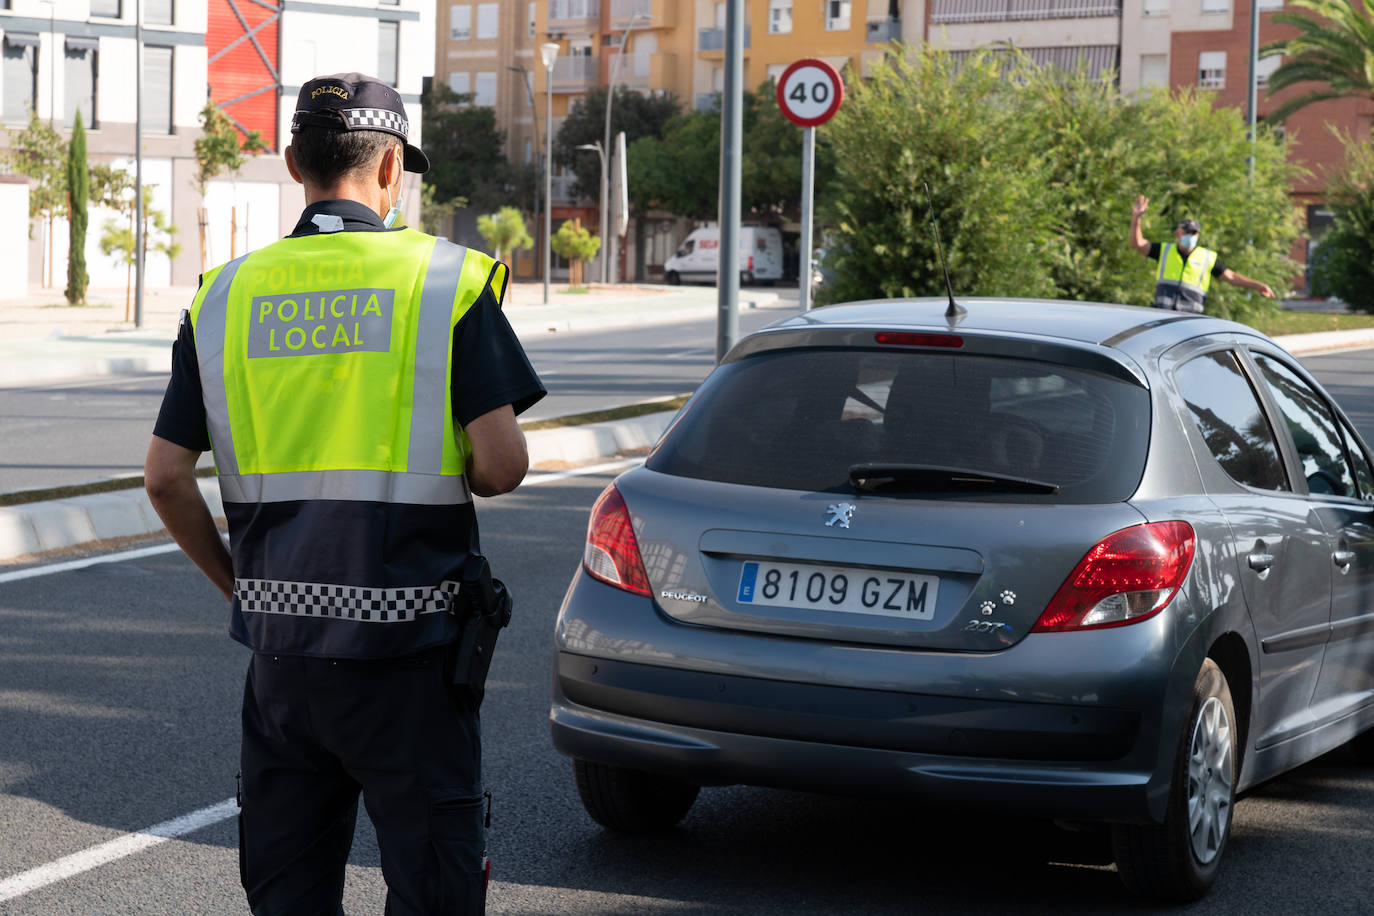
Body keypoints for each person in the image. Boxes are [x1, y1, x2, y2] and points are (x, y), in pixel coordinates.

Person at [144, 72, 545, 915]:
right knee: (433, 889)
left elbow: (165, 476)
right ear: (392, 167)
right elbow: (503, 466)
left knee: (288, 898)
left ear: (295, 163)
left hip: (283, 664)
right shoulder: (444, 281)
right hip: (412, 664)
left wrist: (244, 586)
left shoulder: (224, 297)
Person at [1130, 194, 1275, 312]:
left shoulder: (1207, 257)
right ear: (1178, 233)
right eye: (1187, 232)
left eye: (1194, 233)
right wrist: (1136, 218)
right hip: (1163, 316)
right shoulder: (1164, 250)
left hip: (1191, 321)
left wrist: (1257, 285)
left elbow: (1231, 277)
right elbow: (1138, 244)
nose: (1191, 236)